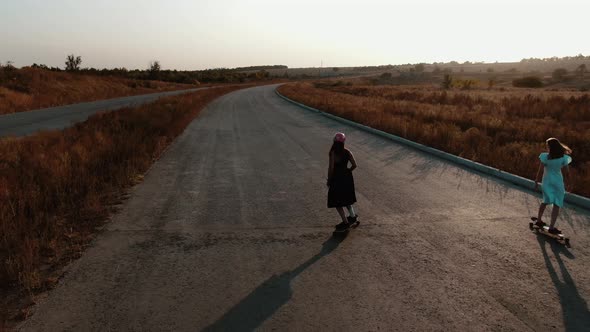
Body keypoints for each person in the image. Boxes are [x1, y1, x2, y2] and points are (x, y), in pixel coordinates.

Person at [534, 137, 572, 234]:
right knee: (557, 203)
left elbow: (540, 170)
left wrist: (536, 181)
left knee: (545, 201)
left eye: (547, 146)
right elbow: (567, 173)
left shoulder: (545, 157)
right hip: (558, 182)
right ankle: (551, 227)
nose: (547, 147)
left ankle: (539, 220)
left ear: (550, 147)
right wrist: (569, 184)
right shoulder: (563, 158)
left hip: (547, 181)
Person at [327, 132, 358, 229]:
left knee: (337, 201)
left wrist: (329, 180)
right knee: (347, 198)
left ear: (334, 141)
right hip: (347, 178)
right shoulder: (347, 152)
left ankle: (345, 222)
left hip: (337, 178)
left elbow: (331, 168)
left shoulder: (333, 153)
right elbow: (354, 165)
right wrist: (348, 171)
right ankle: (352, 216)